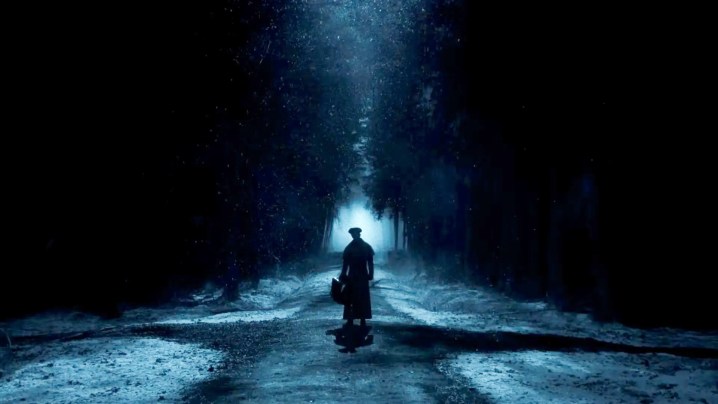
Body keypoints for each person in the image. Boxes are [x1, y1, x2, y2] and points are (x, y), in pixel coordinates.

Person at [339, 227, 374, 328]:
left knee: (360, 297)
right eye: (352, 234)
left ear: (358, 234)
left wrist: (370, 274)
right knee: (351, 297)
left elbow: (370, 262)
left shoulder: (363, 247)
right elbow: (345, 263)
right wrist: (343, 274)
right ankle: (351, 318)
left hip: (360, 275)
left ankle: (361, 318)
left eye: (354, 234)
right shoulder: (351, 247)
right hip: (354, 275)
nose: (353, 235)